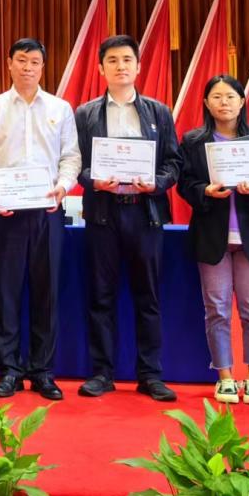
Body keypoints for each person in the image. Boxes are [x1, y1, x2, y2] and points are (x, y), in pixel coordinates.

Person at [75, 34, 180, 402]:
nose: (120, 66)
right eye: (113, 60)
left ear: (138, 66)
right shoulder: (85, 114)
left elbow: (173, 163)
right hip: (103, 216)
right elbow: (75, 164)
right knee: (100, 297)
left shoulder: (158, 112)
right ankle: (101, 373)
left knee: (147, 297)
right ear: (100, 68)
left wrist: (156, 183)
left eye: (127, 60)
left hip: (145, 214)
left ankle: (150, 375)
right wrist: (93, 179)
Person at [0, 37, 80, 401]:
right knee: (6, 292)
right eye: (21, 60)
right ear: (9, 63)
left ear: (42, 67)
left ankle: (42, 371)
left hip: (48, 212)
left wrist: (63, 186)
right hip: (7, 213)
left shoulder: (60, 109)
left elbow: (71, 157)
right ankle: (9, 370)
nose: (28, 67)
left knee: (46, 292)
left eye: (35, 61)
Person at [176, 74, 249, 406]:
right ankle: (224, 376)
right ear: (206, 103)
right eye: (217, 97)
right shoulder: (194, 141)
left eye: (230, 97)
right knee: (217, 310)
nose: (224, 102)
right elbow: (184, 184)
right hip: (212, 235)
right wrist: (204, 191)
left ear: (242, 102)